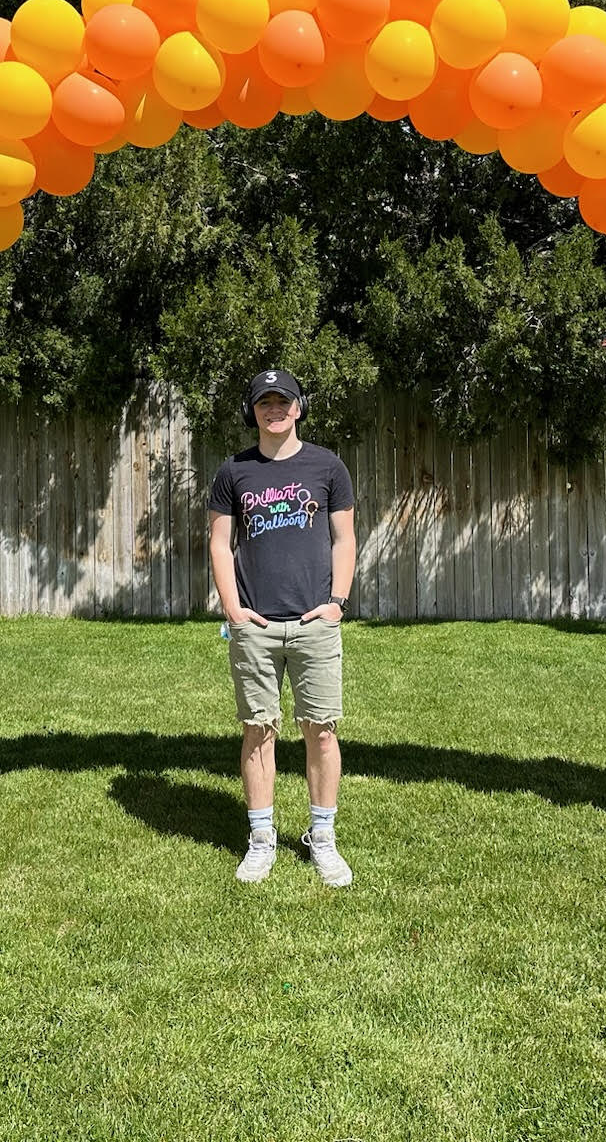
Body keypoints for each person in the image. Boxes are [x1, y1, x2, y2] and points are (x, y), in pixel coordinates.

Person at [207, 368, 357, 887]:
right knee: (258, 731)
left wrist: (337, 602)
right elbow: (219, 545)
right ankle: (262, 839)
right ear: (252, 412)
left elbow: (344, 540)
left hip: (315, 622)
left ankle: (323, 838)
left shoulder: (328, 466)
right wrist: (232, 608)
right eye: (264, 403)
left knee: (321, 732)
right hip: (256, 625)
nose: (274, 410)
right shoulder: (233, 472)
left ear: (299, 407)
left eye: (283, 401)